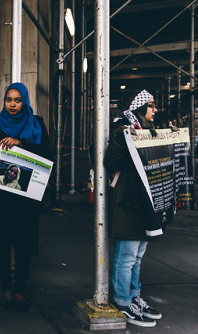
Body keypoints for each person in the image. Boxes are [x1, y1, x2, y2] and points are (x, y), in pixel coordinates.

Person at [0, 82, 52, 312]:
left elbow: (47, 155)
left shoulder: (36, 124)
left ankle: (20, 291)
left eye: (17, 100)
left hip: (26, 199)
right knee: (1, 245)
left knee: (24, 244)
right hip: (1, 197)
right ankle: (7, 290)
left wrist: (21, 143)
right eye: (9, 99)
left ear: (24, 101)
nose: (13, 104)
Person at [104, 90, 163, 327]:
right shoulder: (123, 129)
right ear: (138, 107)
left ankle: (133, 296)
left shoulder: (148, 130)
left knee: (137, 256)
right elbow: (110, 161)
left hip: (145, 202)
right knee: (127, 256)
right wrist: (125, 138)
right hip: (127, 201)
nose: (155, 109)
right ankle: (122, 300)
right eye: (150, 105)